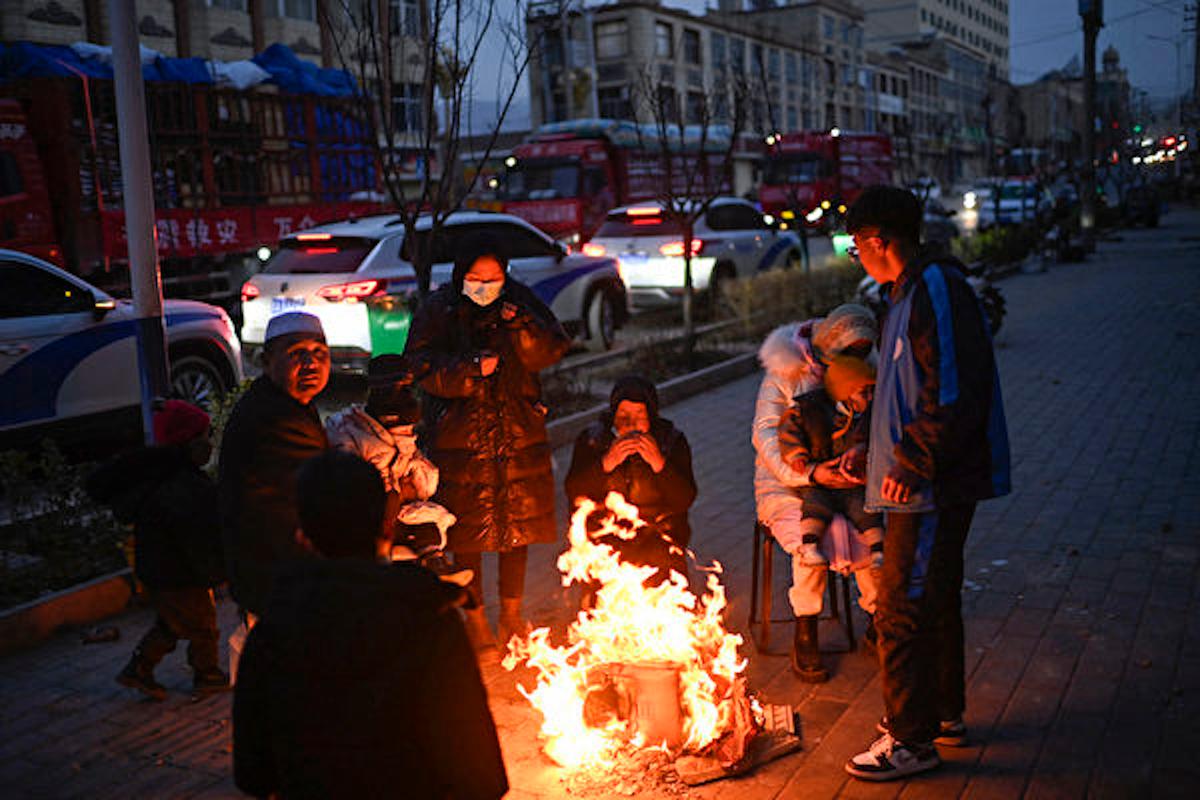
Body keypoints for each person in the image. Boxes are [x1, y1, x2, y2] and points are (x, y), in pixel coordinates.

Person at [843, 185, 1010, 781]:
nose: (854, 254)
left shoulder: (934, 287)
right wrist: (877, 446)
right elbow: (906, 386)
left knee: (901, 604)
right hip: (914, 479)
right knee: (932, 595)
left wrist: (910, 460)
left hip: (928, 485)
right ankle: (942, 714)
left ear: (877, 241)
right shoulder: (905, 291)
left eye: (854, 244)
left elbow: (953, 387)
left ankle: (909, 740)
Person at [233, 450, 507, 799]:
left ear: (302, 536)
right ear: (387, 527)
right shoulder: (431, 622)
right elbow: (483, 777)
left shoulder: (270, 634)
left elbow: (253, 773)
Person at [404, 232, 571, 652]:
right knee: (466, 534)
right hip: (461, 438)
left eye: (494, 278)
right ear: (461, 275)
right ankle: (475, 615)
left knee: (515, 528)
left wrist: (521, 326)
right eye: (476, 278)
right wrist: (467, 369)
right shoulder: (439, 309)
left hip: (517, 433)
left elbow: (549, 350)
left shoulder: (521, 303)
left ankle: (512, 612)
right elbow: (419, 365)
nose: (485, 287)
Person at [751, 304, 883, 683]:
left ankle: (880, 619)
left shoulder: (862, 374)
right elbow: (766, 436)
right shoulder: (786, 373)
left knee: (869, 527)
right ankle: (805, 628)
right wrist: (811, 472)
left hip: (847, 477)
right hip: (788, 481)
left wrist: (860, 459)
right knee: (813, 538)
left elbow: (874, 425)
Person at [88, 400, 228, 700]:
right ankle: (207, 673)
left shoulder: (165, 478)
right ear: (187, 442)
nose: (209, 444)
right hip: (179, 573)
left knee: (172, 623)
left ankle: (139, 669)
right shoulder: (181, 487)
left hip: (159, 569)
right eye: (204, 437)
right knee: (203, 625)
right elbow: (195, 538)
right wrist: (217, 571)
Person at [218, 311, 329, 622]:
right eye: (297, 353)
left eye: (320, 353)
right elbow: (322, 494)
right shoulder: (277, 420)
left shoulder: (289, 404)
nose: (311, 363)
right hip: (278, 575)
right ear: (266, 361)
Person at [325, 353, 471, 586]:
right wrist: (391, 491)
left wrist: (414, 478)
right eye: (394, 388)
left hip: (403, 513)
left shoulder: (404, 432)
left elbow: (419, 479)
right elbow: (354, 481)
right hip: (372, 520)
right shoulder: (349, 430)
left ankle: (436, 566)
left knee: (426, 526)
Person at [564, 375, 697, 583]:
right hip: (608, 541)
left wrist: (659, 464)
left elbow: (685, 498)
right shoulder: (593, 440)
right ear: (613, 413)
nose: (631, 423)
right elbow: (574, 491)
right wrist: (606, 463)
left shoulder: (671, 441)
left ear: (651, 415)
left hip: (658, 540)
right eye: (623, 414)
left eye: (639, 414)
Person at [778, 354, 884, 569]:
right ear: (845, 393)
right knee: (815, 506)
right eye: (864, 392)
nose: (871, 397)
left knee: (866, 509)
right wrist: (797, 456)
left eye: (873, 391)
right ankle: (810, 547)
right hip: (820, 481)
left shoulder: (868, 416)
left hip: (852, 482)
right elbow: (788, 431)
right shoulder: (809, 410)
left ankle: (879, 550)